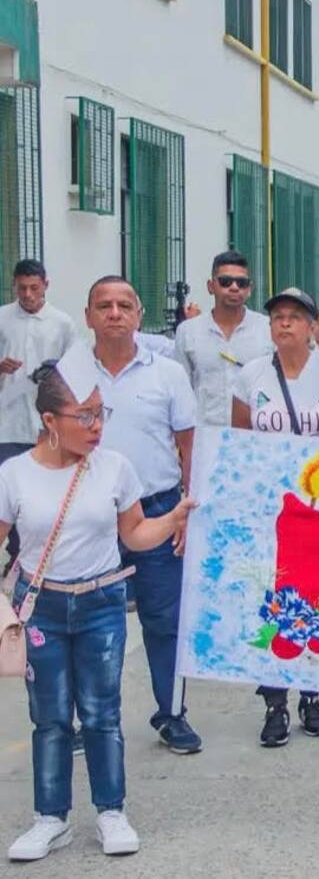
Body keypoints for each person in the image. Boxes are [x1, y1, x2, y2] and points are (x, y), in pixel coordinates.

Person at [2, 350, 193, 861]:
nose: (95, 426)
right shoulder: (15, 474)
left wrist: (172, 521)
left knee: (101, 714)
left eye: (99, 413)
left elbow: (133, 530)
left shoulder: (114, 468)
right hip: (41, 608)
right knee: (49, 718)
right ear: (49, 421)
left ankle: (111, 810)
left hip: (102, 602)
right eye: (83, 416)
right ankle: (50, 818)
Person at [231, 287, 319, 747]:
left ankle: (312, 695)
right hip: (272, 506)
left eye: (293, 317)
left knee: (316, 594)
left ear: (310, 326)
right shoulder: (251, 375)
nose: (284, 324)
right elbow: (239, 438)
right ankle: (274, 701)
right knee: (276, 594)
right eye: (277, 317)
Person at [86, 277, 201, 755]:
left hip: (156, 508)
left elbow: (189, 444)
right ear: (89, 315)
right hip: (88, 515)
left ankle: (171, 714)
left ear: (138, 314)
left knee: (164, 619)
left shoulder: (167, 373)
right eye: (104, 305)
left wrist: (187, 511)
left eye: (124, 305)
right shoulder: (69, 371)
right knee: (89, 621)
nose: (114, 313)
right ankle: (88, 718)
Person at [0, 260, 75, 570]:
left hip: (46, 424)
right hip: (7, 423)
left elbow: (74, 371)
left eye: (34, 288)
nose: (28, 294)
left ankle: (41, 557)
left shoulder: (62, 323)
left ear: (46, 284)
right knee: (9, 492)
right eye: (22, 288)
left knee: (43, 491)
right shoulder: (2, 318)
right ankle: (17, 557)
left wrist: (54, 372)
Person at [174, 251, 272, 427]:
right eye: (226, 282)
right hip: (205, 438)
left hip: (256, 437)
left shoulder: (267, 329)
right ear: (211, 286)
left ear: (249, 288)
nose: (234, 287)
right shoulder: (188, 332)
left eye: (241, 283)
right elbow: (180, 392)